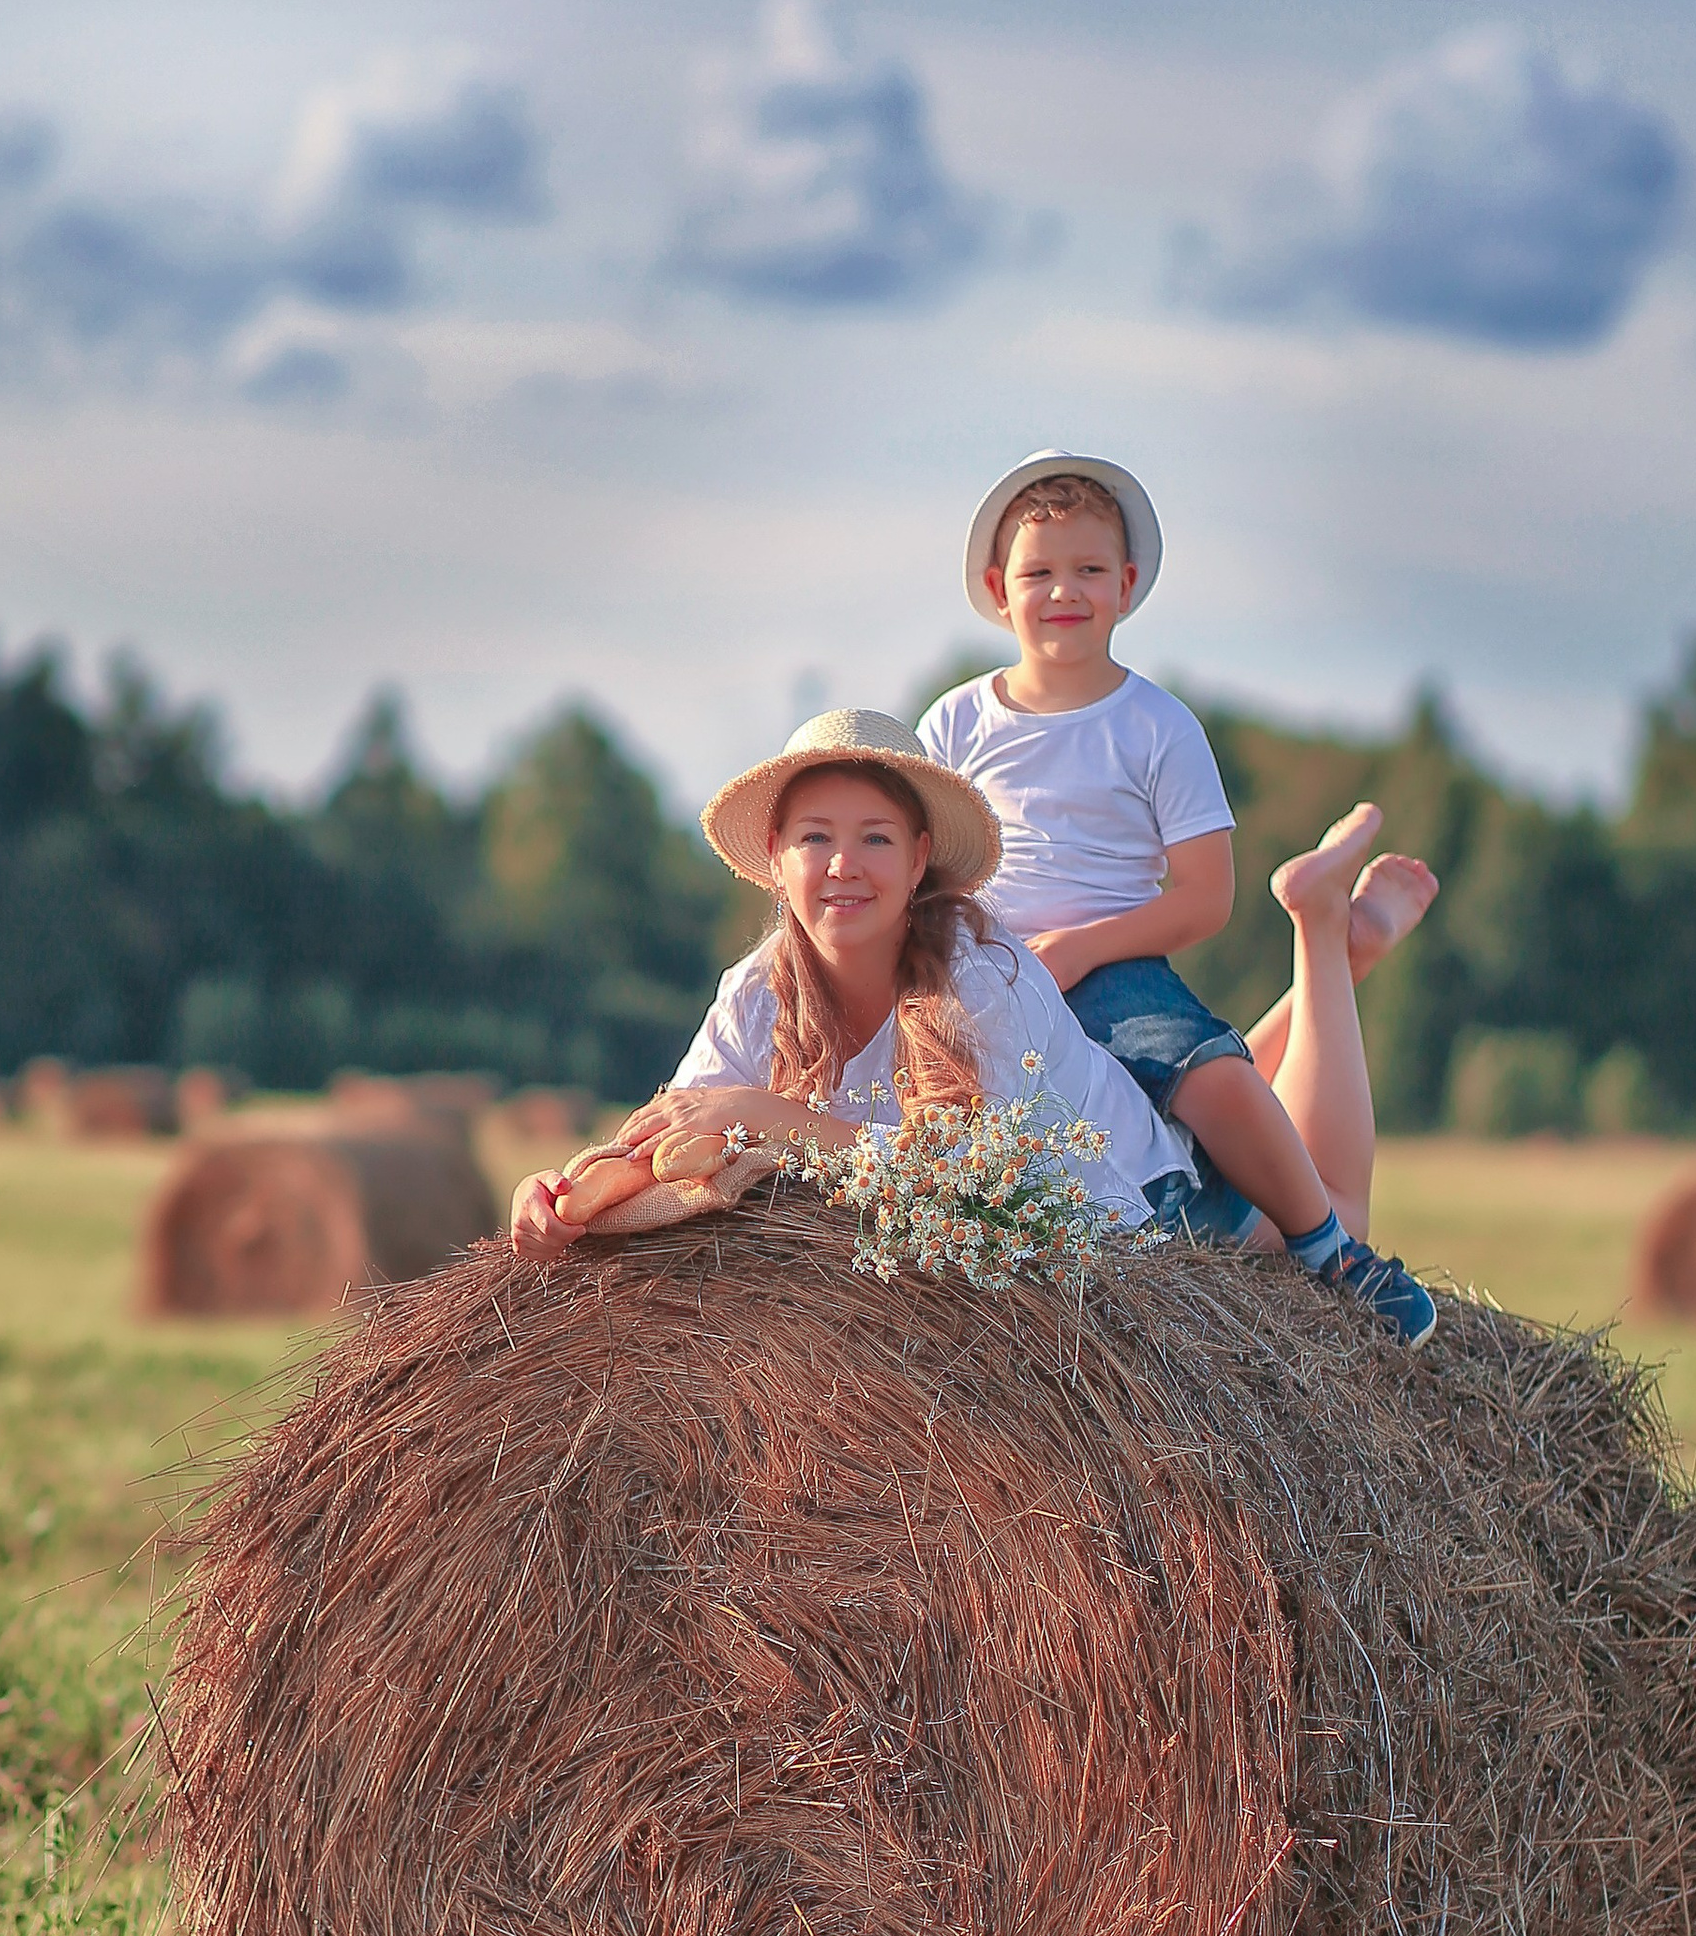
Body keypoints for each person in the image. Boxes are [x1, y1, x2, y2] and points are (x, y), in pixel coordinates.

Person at [507, 710, 1433, 1348]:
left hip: (1142, 1211)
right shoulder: (755, 993)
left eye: (875, 838)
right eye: (815, 837)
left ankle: (1324, 940)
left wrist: (770, 1116)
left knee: (1334, 1206)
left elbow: (966, 1190)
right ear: (777, 863)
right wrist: (564, 1191)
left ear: (919, 861)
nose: (843, 864)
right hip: (1090, 1095)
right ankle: (1335, 970)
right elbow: (673, 1127)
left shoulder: (977, 973)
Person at [918, 451, 1438, 1341]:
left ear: (1124, 586)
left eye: (1087, 571)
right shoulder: (955, 722)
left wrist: (1083, 948)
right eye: (1040, 573)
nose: (1063, 592)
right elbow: (927, 870)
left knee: (1208, 1078)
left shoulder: (1156, 725)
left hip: (1113, 967)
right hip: (987, 972)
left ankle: (1332, 1252)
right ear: (999, 590)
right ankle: (1333, 968)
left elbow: (1204, 898)